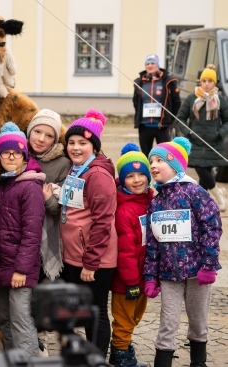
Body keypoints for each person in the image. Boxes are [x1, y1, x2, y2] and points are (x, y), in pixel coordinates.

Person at [143, 137, 222, 367]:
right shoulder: (155, 202)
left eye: (159, 160)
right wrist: (150, 276)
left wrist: (208, 264)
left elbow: (212, 227)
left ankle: (198, 362)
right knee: (167, 322)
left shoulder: (195, 193)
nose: (154, 166)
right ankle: (163, 361)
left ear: (176, 165)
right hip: (169, 275)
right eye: (152, 162)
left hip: (198, 273)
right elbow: (153, 242)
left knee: (198, 321)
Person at [0, 123, 45, 357]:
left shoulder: (30, 187)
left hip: (20, 269)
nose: (11, 156)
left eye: (17, 152)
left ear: (24, 156)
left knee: (22, 322)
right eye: (6, 151)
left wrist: (21, 269)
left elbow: (32, 233)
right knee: (5, 321)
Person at [60, 109, 117, 357]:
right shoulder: (77, 170)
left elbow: (103, 222)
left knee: (96, 312)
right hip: (76, 255)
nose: (75, 148)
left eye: (82, 143)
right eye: (71, 142)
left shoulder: (97, 175)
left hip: (94, 260)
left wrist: (91, 263)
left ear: (93, 146)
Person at [109, 143, 153, 367]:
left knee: (135, 316)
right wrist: (131, 282)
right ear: (122, 180)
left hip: (143, 274)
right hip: (128, 280)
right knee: (124, 319)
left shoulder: (149, 201)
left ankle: (124, 346)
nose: (137, 180)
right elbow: (126, 251)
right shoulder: (125, 209)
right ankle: (120, 354)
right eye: (130, 176)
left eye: (141, 175)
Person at [26, 109, 70, 281]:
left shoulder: (63, 163)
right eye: (37, 132)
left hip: (47, 231)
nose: (41, 139)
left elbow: (59, 209)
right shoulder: (17, 156)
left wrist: (48, 199)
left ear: (55, 139)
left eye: (49, 135)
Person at [177, 64, 228, 212]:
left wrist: (220, 133)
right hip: (196, 142)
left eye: (210, 81)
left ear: (215, 83)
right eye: (204, 81)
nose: (206, 84)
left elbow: (227, 120)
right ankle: (218, 194)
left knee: (205, 173)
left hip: (213, 142)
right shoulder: (192, 98)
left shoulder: (220, 100)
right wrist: (188, 132)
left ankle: (199, 202)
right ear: (200, 81)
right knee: (200, 168)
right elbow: (180, 118)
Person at [133, 54, 181, 157]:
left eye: (153, 63)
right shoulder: (139, 82)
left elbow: (176, 102)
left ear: (158, 65)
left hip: (161, 126)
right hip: (144, 126)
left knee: (164, 155)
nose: (150, 66)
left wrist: (170, 119)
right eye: (147, 64)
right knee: (146, 156)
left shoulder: (168, 81)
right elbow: (136, 102)